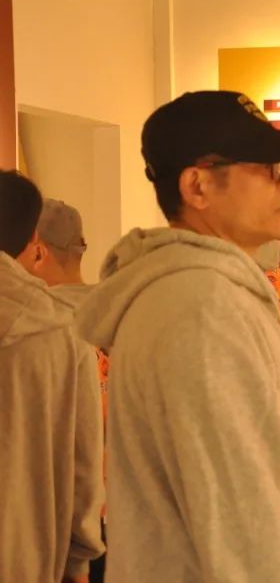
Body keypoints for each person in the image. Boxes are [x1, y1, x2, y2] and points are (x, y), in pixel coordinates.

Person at [74, 90, 280, 582]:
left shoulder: (215, 293)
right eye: (269, 167)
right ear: (198, 185)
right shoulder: (202, 309)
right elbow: (241, 526)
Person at [0, 170, 104, 583]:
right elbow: (84, 461)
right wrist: (80, 557)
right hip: (28, 557)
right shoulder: (65, 334)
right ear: (32, 243)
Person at [30, 198, 109, 583]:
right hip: (121, 520)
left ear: (37, 252)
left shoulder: (41, 335)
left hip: (63, 528)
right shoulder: (120, 317)